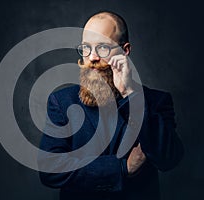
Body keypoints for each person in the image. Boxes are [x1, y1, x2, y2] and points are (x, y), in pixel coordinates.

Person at [38, 11, 184, 200]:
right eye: (86, 48)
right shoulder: (62, 101)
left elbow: (169, 159)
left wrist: (130, 94)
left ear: (125, 50)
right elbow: (49, 170)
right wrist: (122, 169)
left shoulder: (156, 101)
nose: (92, 58)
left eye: (103, 48)